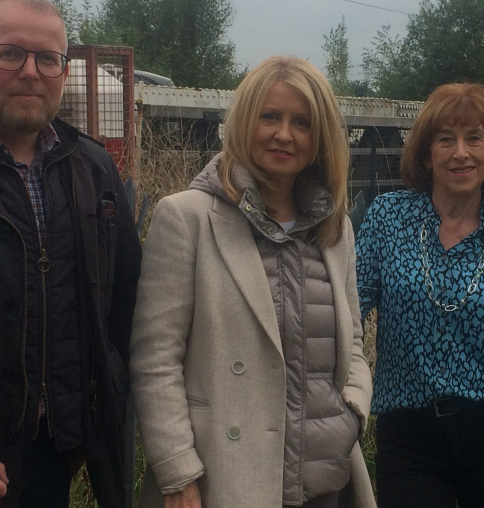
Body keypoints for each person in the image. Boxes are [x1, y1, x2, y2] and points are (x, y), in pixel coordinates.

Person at [0, 0, 141, 508]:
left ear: (64, 71)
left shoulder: (93, 171)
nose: (31, 71)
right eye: (10, 54)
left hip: (51, 462)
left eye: (48, 58)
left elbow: (123, 310)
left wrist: (89, 415)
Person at [130, 56, 375, 508]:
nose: (285, 134)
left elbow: (354, 340)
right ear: (243, 122)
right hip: (222, 481)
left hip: (326, 482)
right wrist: (177, 472)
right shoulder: (186, 219)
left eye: (302, 121)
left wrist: (353, 410)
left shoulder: (334, 228)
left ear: (319, 136)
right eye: (270, 116)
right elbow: (155, 360)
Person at [356, 83, 484, 508]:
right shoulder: (388, 218)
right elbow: (348, 312)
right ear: (427, 153)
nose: (460, 152)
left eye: (473, 138)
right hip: (410, 436)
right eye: (445, 139)